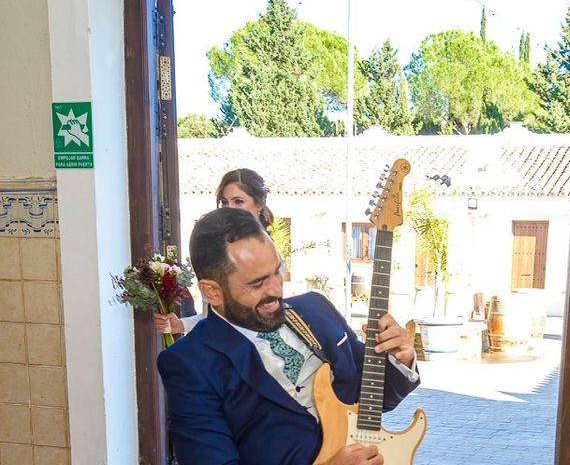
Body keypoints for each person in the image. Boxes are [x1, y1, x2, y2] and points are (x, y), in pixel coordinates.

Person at [157, 207, 419, 465]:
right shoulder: (189, 363)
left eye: (278, 271)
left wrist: (401, 358)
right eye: (257, 284)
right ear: (213, 292)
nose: (277, 290)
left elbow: (372, 400)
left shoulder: (316, 308)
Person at [154, 168, 273, 335]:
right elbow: (213, 316)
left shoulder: (266, 255)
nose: (229, 208)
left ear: (259, 204)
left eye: (238, 201)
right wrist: (181, 325)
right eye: (224, 202)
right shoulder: (217, 248)